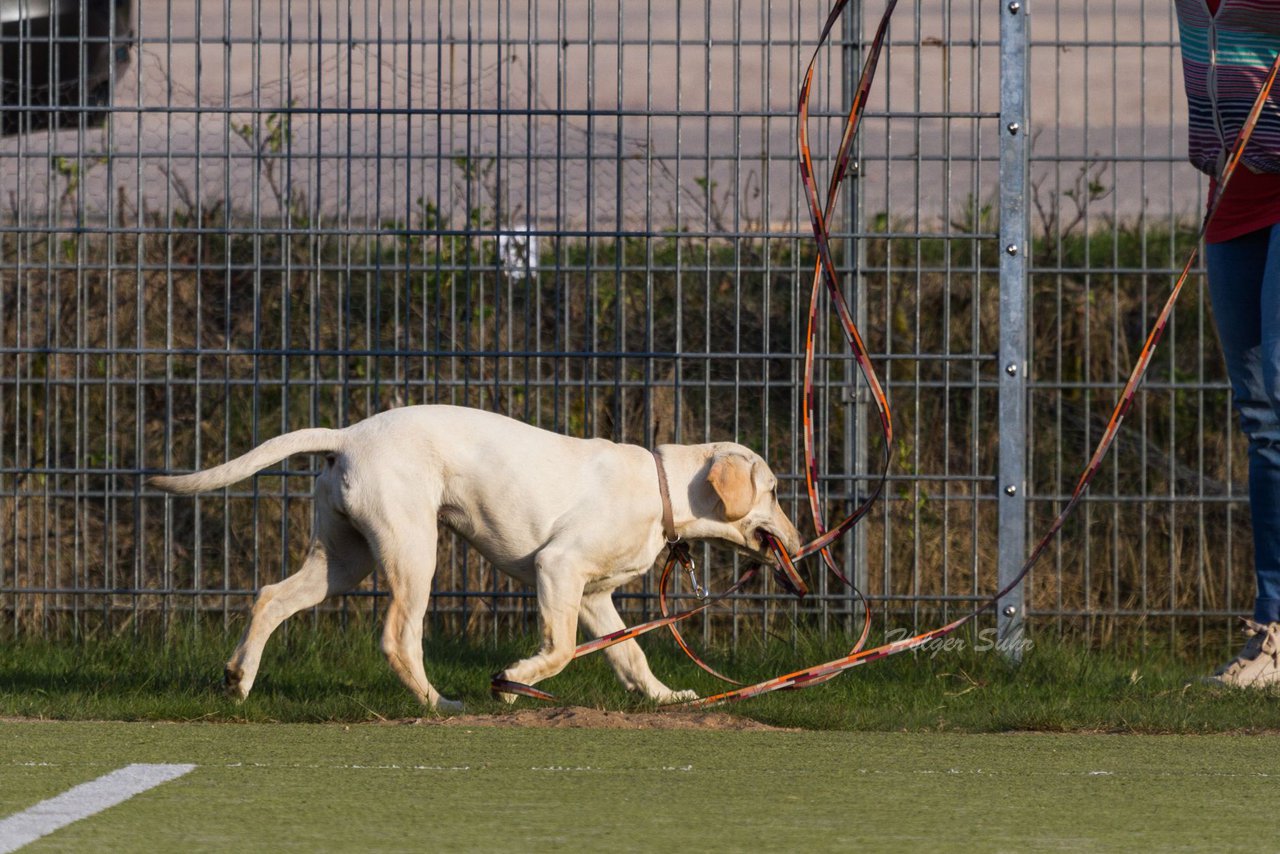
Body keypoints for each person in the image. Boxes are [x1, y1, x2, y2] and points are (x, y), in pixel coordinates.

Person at [1175, 0, 1280, 686]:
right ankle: (1269, 631)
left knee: (1277, 389)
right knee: (1261, 416)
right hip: (1232, 196)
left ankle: (1274, 629)